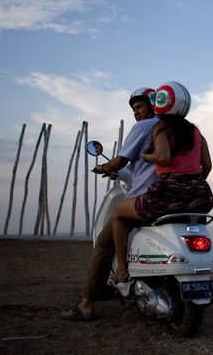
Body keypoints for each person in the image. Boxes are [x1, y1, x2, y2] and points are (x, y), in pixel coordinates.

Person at [61, 87, 158, 321]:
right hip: (174, 197)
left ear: (153, 105)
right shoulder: (172, 130)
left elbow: (120, 161)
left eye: (140, 107)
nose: (136, 112)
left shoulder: (144, 127)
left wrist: (104, 167)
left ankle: (88, 303)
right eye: (134, 109)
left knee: (105, 243)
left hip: (144, 198)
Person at [109, 81, 213, 286]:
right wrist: (194, 184)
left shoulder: (161, 128)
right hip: (202, 196)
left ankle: (122, 272)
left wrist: (146, 156)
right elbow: (207, 166)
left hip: (168, 195)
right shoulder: (196, 132)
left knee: (119, 213)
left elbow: (163, 157)